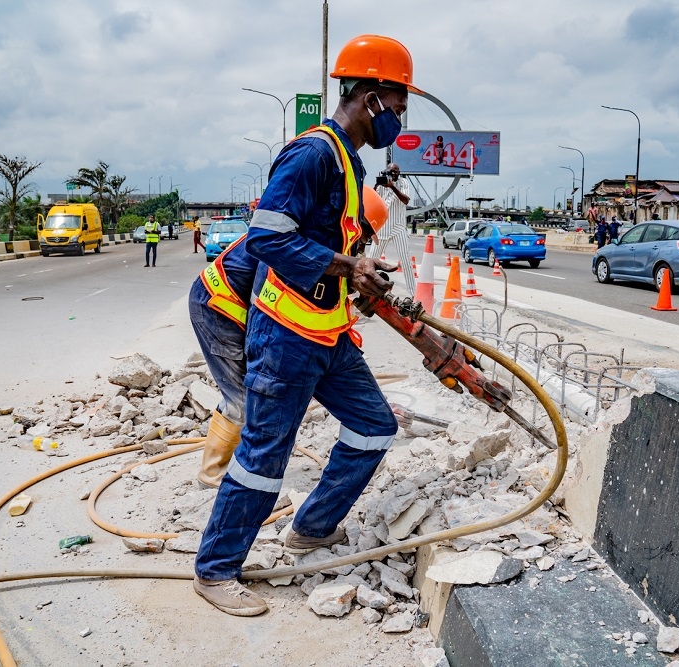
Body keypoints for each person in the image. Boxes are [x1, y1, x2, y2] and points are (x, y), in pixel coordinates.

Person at [193, 33, 418, 617]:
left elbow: (327, 246)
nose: (398, 119)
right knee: (266, 452)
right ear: (370, 98)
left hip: (326, 331)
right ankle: (216, 570)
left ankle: (311, 527)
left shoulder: (350, 161)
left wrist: (360, 278)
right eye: (397, 107)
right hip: (286, 332)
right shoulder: (313, 154)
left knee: (373, 426)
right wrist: (348, 265)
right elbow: (269, 238)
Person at [189, 185, 390, 491]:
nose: (361, 241)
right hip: (218, 306)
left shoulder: (321, 238)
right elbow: (268, 300)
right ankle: (212, 475)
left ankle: (233, 462)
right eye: (362, 232)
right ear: (351, 220)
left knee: (252, 392)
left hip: (230, 306)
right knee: (245, 397)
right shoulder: (302, 241)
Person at [369, 162, 414, 293]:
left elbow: (406, 200)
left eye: (396, 171)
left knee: (406, 260)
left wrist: (392, 187)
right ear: (386, 171)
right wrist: (378, 183)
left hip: (398, 226)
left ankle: (413, 293)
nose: (394, 173)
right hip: (382, 227)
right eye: (391, 171)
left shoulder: (403, 182)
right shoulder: (382, 184)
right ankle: (367, 292)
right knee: (371, 261)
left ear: (399, 172)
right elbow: (371, 197)